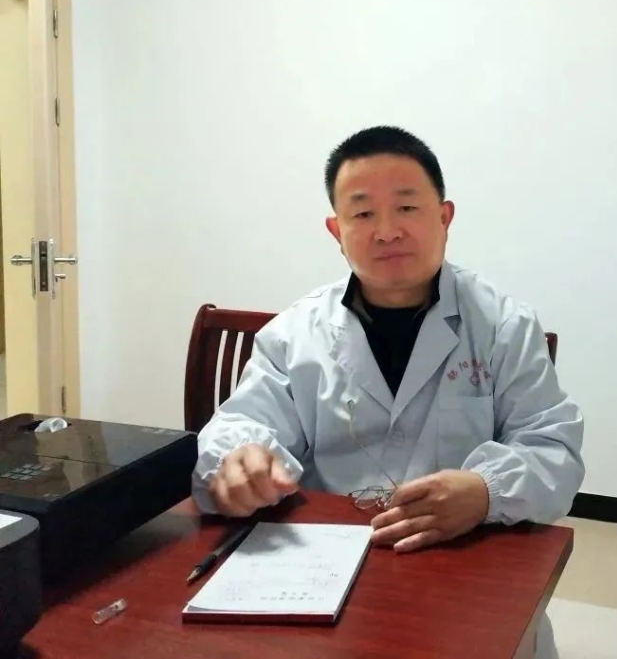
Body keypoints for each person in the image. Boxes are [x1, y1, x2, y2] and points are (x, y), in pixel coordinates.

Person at [191, 124, 584, 557]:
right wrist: (242, 460)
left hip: (464, 551)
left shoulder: (503, 326)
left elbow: (553, 451)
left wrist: (485, 491)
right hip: (324, 552)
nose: (387, 231)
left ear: (444, 217)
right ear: (336, 232)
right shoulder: (293, 334)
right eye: (363, 214)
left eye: (407, 207)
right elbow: (242, 424)